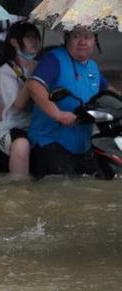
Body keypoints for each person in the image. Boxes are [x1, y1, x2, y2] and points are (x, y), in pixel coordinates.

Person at [26, 27, 116, 179]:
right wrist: (58, 114)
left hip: (83, 145)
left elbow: (109, 92)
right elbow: (34, 86)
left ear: (95, 40)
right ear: (67, 38)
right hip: (50, 141)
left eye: (88, 36)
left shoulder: (93, 67)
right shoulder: (53, 59)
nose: (82, 42)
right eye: (76, 36)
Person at [0, 21, 41, 178]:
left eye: (36, 37)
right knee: (22, 145)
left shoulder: (41, 65)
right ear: (14, 42)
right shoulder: (5, 72)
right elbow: (18, 106)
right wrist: (32, 79)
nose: (34, 42)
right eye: (29, 38)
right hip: (12, 127)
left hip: (39, 125)